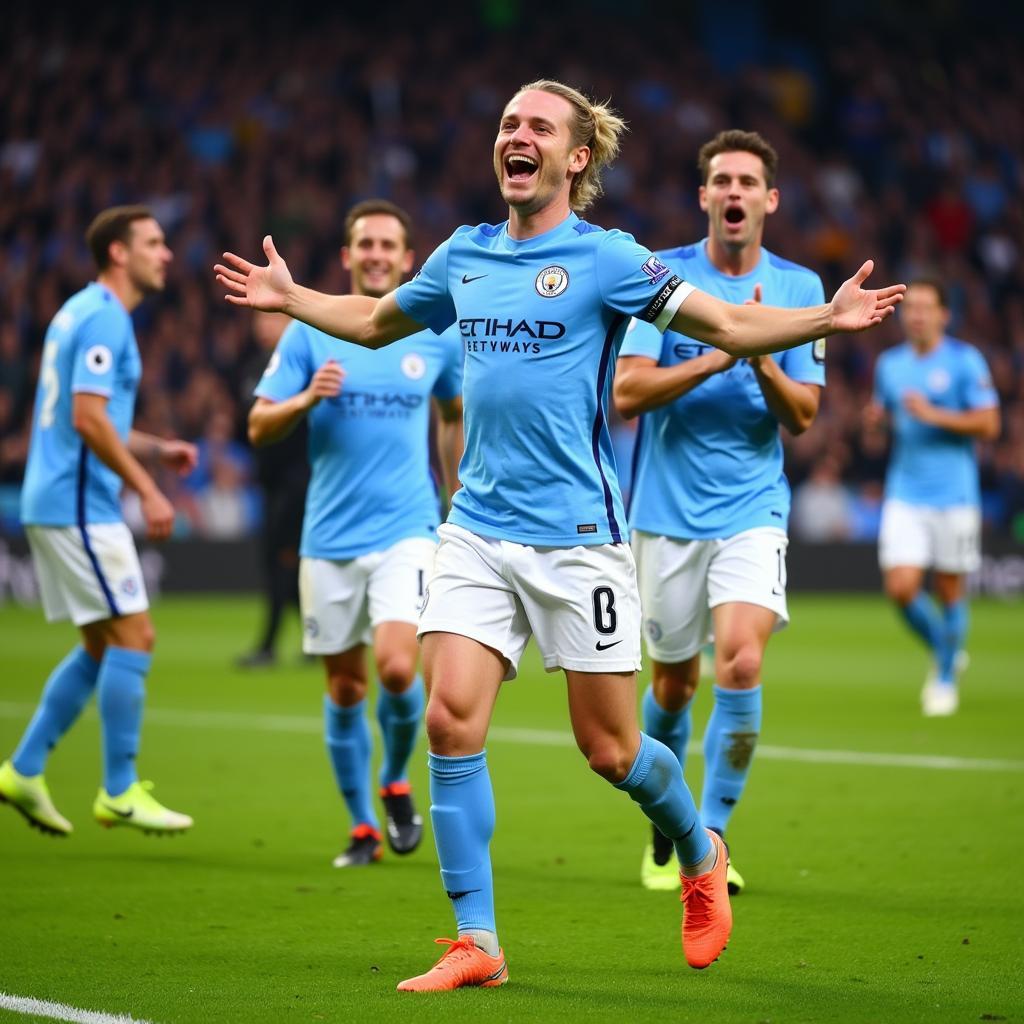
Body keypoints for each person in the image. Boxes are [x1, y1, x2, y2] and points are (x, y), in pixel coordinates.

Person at [216, 80, 904, 990]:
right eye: (507, 123)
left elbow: (732, 322)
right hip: (476, 528)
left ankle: (698, 850)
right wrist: (294, 297)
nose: (517, 135)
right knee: (449, 719)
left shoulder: (608, 259)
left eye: (538, 125)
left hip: (582, 538)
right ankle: (478, 942)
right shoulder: (463, 255)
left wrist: (825, 318)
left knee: (610, 750)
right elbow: (378, 322)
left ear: (576, 158)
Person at [613, 130, 827, 896]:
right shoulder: (661, 277)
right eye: (721, 181)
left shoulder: (801, 290)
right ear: (703, 195)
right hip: (665, 513)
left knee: (740, 659)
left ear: (769, 199)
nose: (733, 192)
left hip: (752, 508)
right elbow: (626, 393)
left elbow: (801, 416)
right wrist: (716, 352)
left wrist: (763, 353)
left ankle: (714, 839)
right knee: (673, 683)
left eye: (747, 182)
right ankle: (666, 830)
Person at [248, 200, 464, 867]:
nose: (375, 253)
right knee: (345, 687)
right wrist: (306, 400)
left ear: (407, 258)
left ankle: (396, 778)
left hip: (409, 529)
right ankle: (363, 825)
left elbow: (453, 414)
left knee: (400, 669)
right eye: (364, 243)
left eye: (387, 245)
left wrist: (455, 499)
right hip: (329, 538)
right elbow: (259, 426)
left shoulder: (434, 332)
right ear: (347, 256)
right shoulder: (310, 331)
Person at [0, 206, 196, 837]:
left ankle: (24, 770)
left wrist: (155, 448)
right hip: (81, 504)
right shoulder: (107, 319)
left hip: (57, 498)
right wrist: (149, 489)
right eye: (154, 243)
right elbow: (86, 420)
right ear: (119, 252)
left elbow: (93, 417)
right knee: (136, 637)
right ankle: (118, 787)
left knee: (99, 643)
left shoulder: (79, 312)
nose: (166, 255)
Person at [865, 278, 999, 716]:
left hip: (955, 495)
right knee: (901, 588)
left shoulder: (964, 361)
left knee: (949, 589)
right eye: (912, 307)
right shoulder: (890, 364)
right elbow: (884, 421)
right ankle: (946, 650)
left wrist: (934, 414)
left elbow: (988, 425)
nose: (917, 315)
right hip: (905, 491)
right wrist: (876, 423)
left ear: (944, 314)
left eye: (926, 307)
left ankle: (944, 676)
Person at [236, 311, 309, 667]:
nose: (264, 326)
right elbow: (244, 425)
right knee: (280, 564)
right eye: (260, 320)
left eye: (273, 320)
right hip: (267, 481)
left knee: (281, 561)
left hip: (298, 481)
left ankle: (269, 645)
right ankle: (316, 637)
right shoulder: (252, 366)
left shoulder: (298, 364)